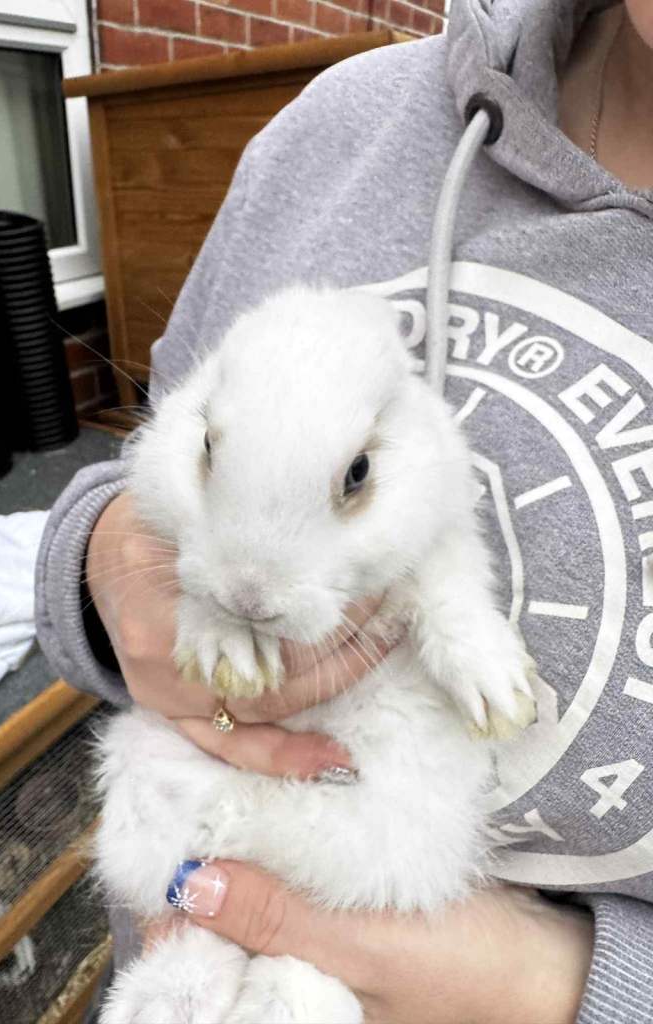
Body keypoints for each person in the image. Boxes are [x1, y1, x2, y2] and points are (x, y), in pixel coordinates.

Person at [36, 0, 653, 1020]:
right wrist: (106, 565)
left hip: (388, 841)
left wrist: (560, 989)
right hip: (192, 882)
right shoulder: (333, 133)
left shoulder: (421, 478)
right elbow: (146, 451)